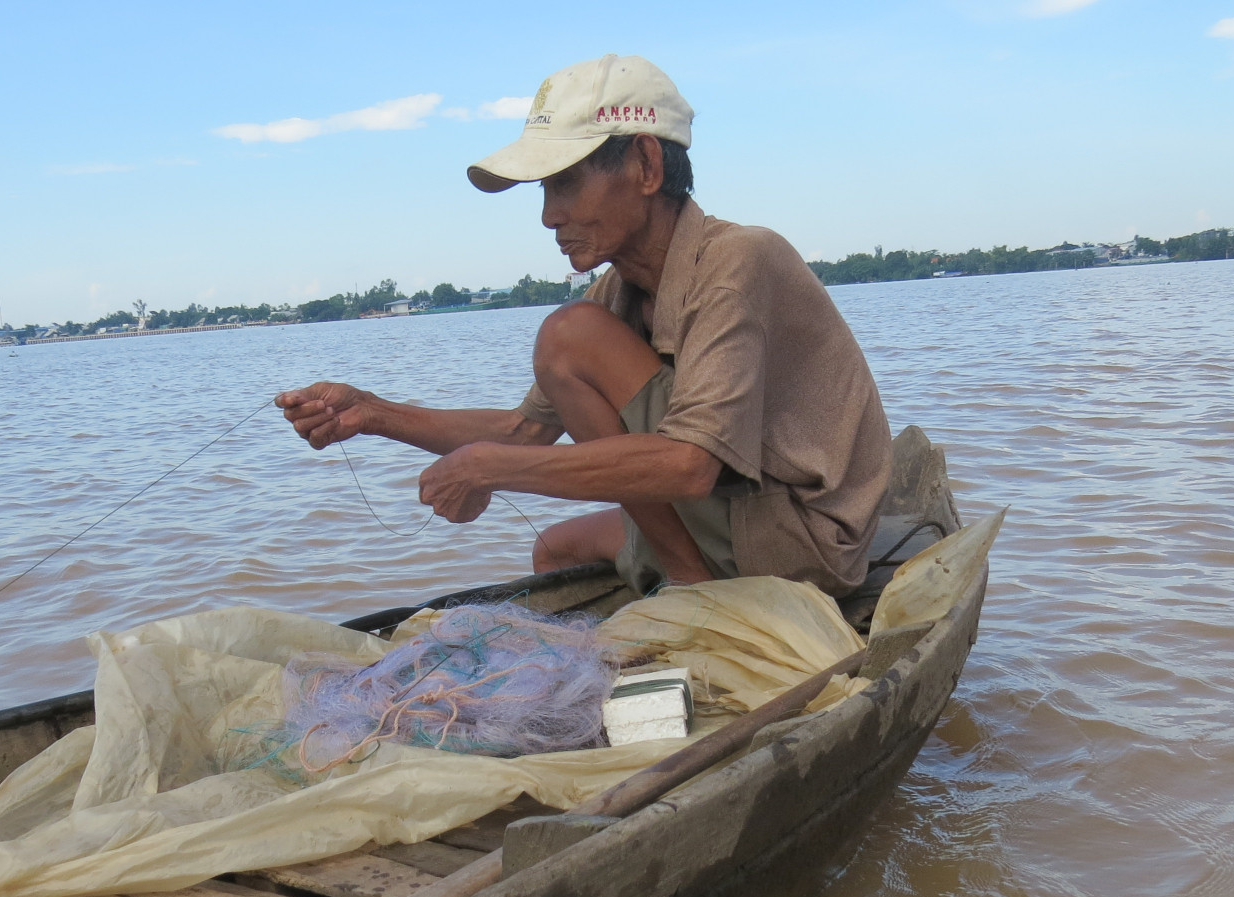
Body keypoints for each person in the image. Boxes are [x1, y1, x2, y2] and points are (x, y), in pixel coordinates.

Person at [277, 54, 891, 596]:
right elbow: (525, 434)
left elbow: (690, 467)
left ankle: (695, 588)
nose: (549, 216)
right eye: (545, 189)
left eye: (566, 182)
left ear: (647, 166)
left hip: (802, 543)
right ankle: (686, 582)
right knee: (556, 551)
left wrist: (488, 469)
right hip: (737, 517)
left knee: (567, 334)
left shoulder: (737, 260)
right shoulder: (618, 290)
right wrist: (370, 413)